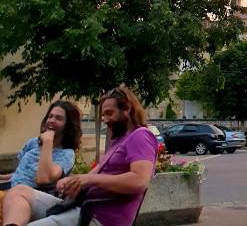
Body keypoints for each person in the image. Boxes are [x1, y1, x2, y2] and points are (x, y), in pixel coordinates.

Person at [2, 87, 157, 226]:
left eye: (109, 113)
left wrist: (89, 179)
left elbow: (139, 181)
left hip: (100, 218)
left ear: (127, 109)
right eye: (103, 115)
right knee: (18, 191)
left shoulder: (141, 136)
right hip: (81, 207)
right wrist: (73, 183)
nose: (105, 119)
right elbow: (90, 177)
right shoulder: (119, 141)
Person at [0, 100, 81, 224]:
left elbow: (43, 178)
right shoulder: (32, 143)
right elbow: (20, 172)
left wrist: (48, 142)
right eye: (50, 116)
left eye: (58, 118)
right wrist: (2, 177)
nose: (52, 120)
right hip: (12, 188)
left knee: (16, 194)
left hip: (34, 195)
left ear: (68, 126)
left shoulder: (67, 154)